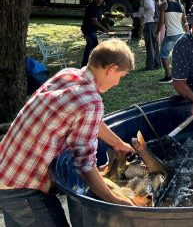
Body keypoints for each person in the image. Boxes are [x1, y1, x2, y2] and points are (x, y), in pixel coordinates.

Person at [0, 40, 137, 226]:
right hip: (23, 188)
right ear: (111, 69)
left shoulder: (68, 74)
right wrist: (115, 199)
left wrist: (117, 144)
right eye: (121, 76)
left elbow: (89, 121)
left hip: (6, 172)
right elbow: (85, 165)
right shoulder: (91, 102)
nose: (118, 83)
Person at [156, 0, 189, 84]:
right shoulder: (181, 6)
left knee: (163, 54)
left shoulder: (164, 5)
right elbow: (185, 22)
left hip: (171, 35)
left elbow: (161, 22)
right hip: (181, 34)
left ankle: (168, 76)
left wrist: (156, 33)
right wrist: (188, 34)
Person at [133, 0, 161, 70]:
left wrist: (143, 16)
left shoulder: (146, 0)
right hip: (150, 24)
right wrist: (133, 14)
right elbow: (142, 13)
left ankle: (150, 66)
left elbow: (151, 11)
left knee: (150, 46)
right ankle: (157, 64)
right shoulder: (144, 1)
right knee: (153, 45)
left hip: (150, 24)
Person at [81, 0, 109, 67]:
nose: (102, 0)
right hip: (88, 29)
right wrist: (104, 29)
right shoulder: (92, 7)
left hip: (93, 30)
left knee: (93, 46)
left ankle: (91, 63)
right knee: (91, 46)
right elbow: (94, 21)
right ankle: (84, 65)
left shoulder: (99, 6)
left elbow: (104, 14)